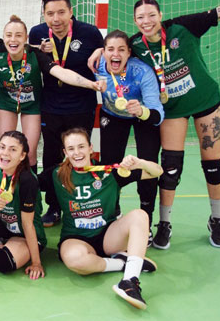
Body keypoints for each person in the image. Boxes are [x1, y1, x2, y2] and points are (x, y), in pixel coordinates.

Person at [90, 0, 220, 249]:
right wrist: (99, 50)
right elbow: (114, 48)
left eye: (151, 15)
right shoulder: (135, 46)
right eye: (140, 17)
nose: (146, 21)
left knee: (212, 166)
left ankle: (217, 219)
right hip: (173, 110)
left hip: (205, 102)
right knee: (170, 168)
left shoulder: (183, 27)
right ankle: (164, 224)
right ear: (135, 20)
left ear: (160, 15)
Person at [49, 128, 162, 310]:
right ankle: (123, 263)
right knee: (76, 261)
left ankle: (129, 281)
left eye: (81, 147)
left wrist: (139, 163)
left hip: (109, 236)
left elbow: (157, 171)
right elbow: (26, 181)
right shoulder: (56, 175)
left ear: (90, 148)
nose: (77, 153)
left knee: (140, 215)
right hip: (76, 238)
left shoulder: (110, 172)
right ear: (65, 152)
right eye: (71, 149)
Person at [29, 0, 105, 228]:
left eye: (61, 12)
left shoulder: (90, 33)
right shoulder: (37, 33)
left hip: (81, 106)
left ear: (71, 12)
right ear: (44, 15)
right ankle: (53, 206)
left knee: (78, 156)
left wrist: (101, 50)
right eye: (50, 13)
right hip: (50, 106)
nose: (56, 18)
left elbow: (112, 51)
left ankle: (82, 203)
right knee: (51, 159)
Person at [94, 30, 164, 241]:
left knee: (147, 165)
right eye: (111, 49)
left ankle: (147, 219)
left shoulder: (141, 72)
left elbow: (158, 115)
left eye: (121, 50)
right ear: (103, 52)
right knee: (109, 166)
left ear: (129, 53)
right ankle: (112, 213)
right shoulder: (96, 65)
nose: (116, 54)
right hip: (113, 115)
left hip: (142, 116)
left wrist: (141, 110)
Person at [0, 131, 46, 279]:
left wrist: (36, 263)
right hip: (1, 223)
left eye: (13, 149)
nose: (5, 153)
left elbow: (28, 225)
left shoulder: (28, 180)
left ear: (22, 156)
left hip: (24, 234)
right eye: (2, 147)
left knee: (2, 262)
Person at [0, 15, 51, 172]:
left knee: (29, 153)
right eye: (9, 35)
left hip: (32, 104)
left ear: (26, 38)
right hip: (6, 102)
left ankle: (30, 189)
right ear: (3, 37)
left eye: (18, 35)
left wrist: (89, 83)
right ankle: (5, 189)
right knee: (7, 151)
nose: (13, 39)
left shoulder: (34, 54)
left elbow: (57, 71)